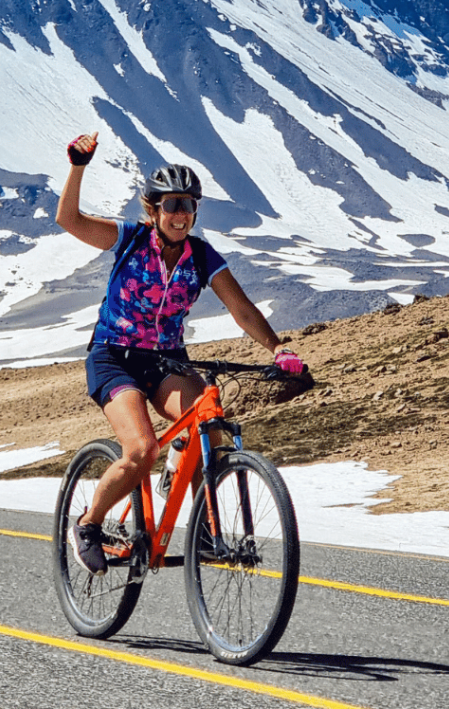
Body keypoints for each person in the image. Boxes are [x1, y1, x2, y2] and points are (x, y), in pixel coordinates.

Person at [57, 131, 305, 575]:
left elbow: (242, 309)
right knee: (141, 450)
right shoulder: (130, 238)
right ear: (153, 210)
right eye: (171, 204)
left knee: (206, 420)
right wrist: (77, 166)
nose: (180, 214)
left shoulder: (201, 256)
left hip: (166, 361)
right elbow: (70, 220)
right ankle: (89, 525)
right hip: (113, 357)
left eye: (188, 205)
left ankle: (205, 530)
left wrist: (277, 347)